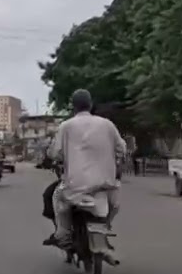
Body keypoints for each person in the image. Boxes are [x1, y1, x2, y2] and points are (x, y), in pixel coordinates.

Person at [44, 89, 126, 263]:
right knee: (115, 204)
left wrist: (59, 158)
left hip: (75, 184)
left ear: (73, 107)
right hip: (106, 184)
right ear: (90, 105)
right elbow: (121, 149)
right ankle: (105, 226)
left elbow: (54, 153)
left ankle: (63, 235)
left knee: (57, 198)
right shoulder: (107, 125)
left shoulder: (66, 126)